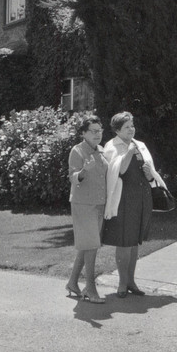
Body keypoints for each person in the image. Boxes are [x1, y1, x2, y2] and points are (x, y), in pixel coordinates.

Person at [102, 111, 167, 298]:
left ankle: (131, 281)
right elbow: (117, 171)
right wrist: (129, 152)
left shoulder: (140, 145)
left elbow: (149, 172)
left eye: (132, 125)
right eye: (127, 127)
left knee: (135, 241)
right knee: (124, 240)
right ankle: (122, 283)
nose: (132, 129)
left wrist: (149, 174)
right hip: (123, 198)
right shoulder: (111, 146)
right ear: (117, 130)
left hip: (142, 197)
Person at [66, 116, 108, 304]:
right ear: (83, 133)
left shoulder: (101, 150)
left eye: (99, 130)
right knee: (91, 245)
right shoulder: (77, 150)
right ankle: (90, 289)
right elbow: (73, 177)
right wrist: (84, 171)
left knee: (88, 245)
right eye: (93, 131)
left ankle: (72, 283)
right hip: (83, 205)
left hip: (99, 204)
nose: (97, 134)